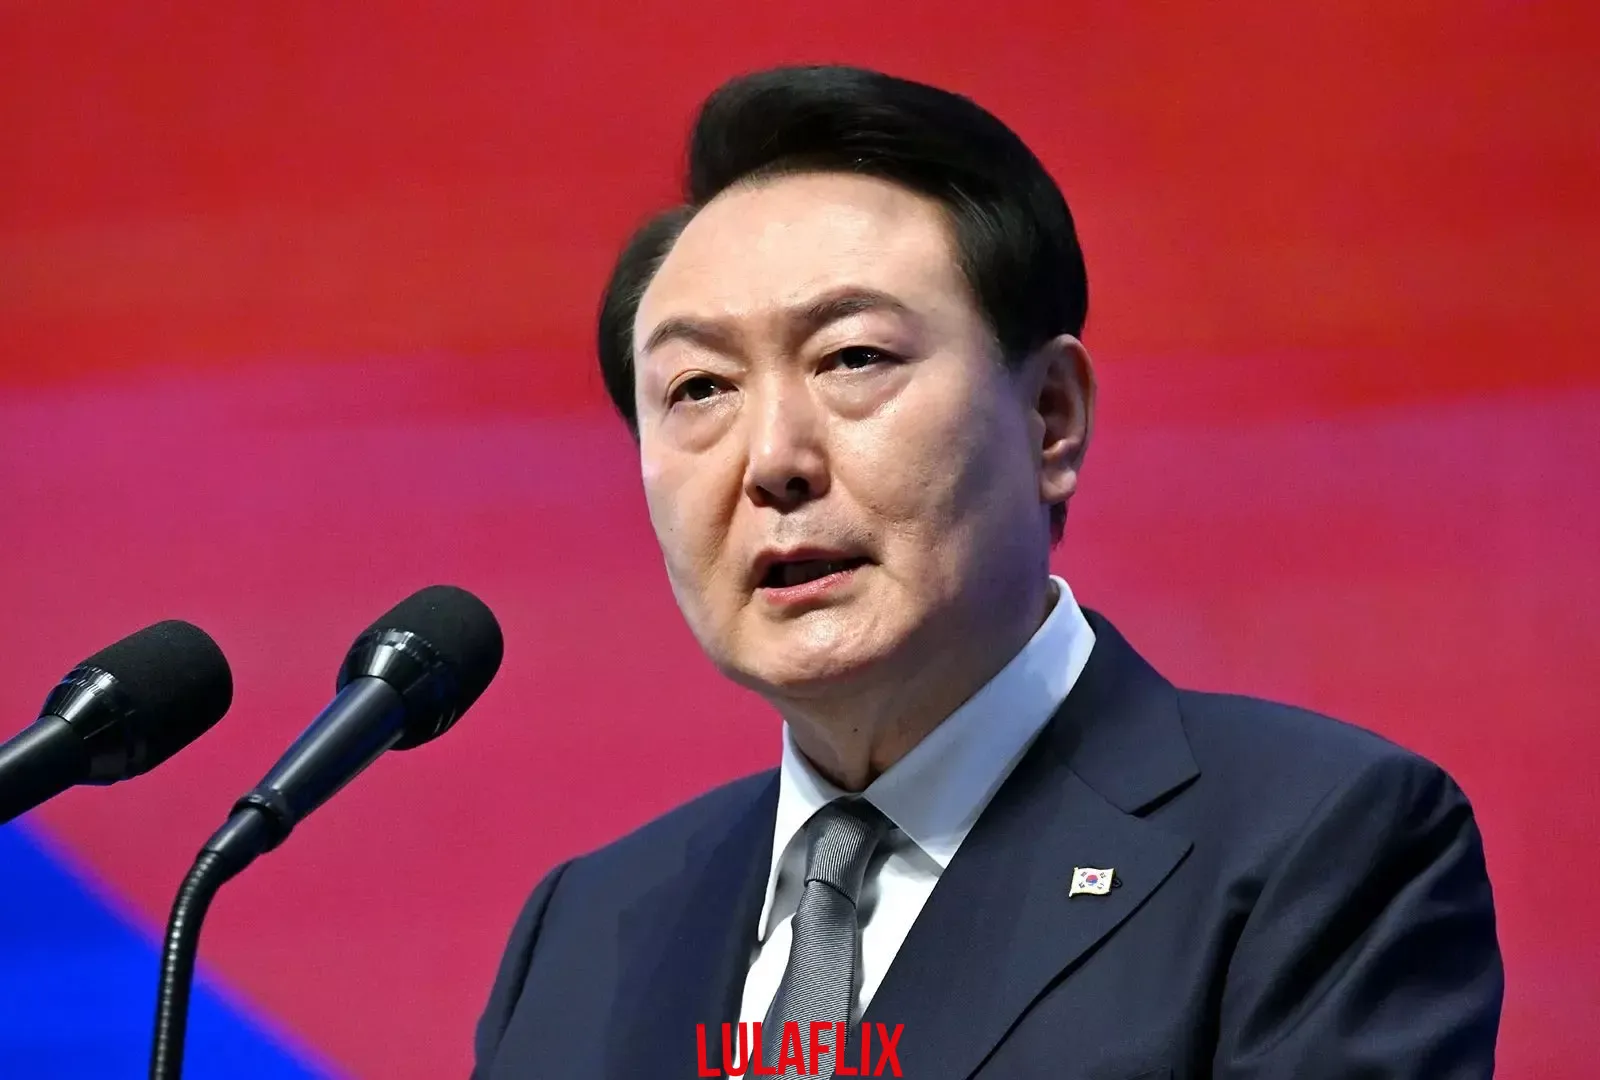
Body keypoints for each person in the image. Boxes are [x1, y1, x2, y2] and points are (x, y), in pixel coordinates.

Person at [471, 65, 1502, 1078]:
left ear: (1050, 415)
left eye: (852, 358)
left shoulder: (1314, 845)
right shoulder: (583, 935)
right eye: (699, 388)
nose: (774, 459)